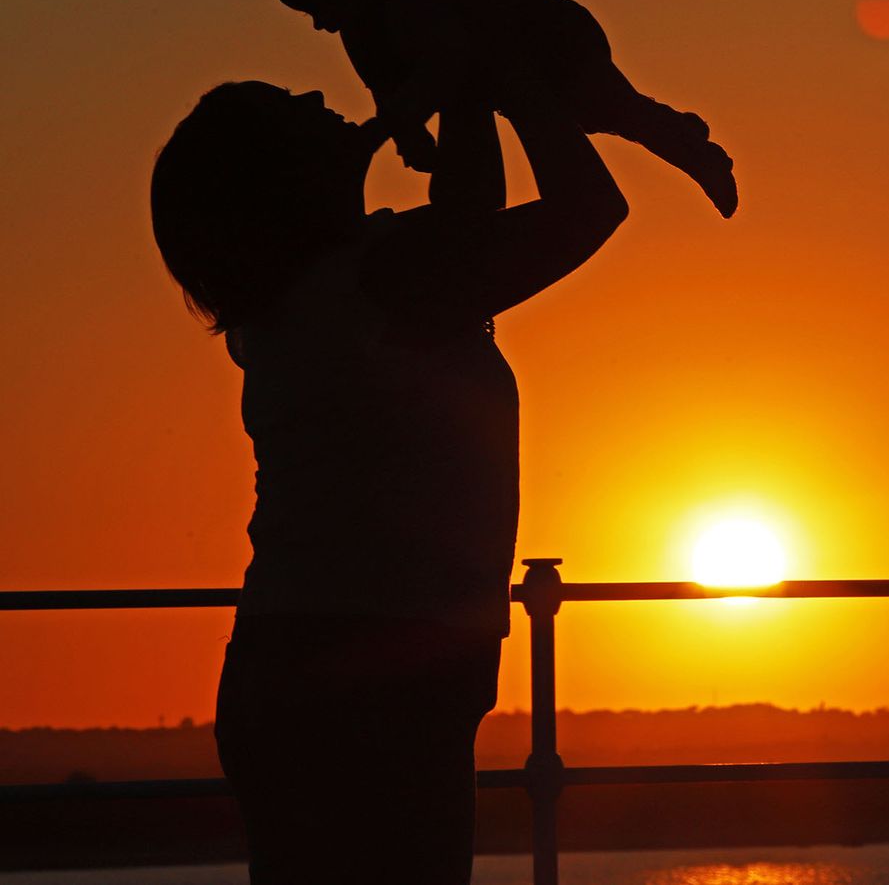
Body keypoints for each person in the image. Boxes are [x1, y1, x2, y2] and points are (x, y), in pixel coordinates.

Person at [150, 80, 627, 884]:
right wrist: (497, 74)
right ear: (281, 177)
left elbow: (474, 207)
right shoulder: (374, 283)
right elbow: (584, 210)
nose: (313, 93)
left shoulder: (331, 288)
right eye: (288, 109)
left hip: (337, 666)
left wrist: (465, 86)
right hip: (371, 683)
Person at [261, 0, 738, 217]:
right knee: (596, 115)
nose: (322, 24)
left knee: (602, 109)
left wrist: (386, 131)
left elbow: (443, 66)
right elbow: (388, 88)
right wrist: (410, 137)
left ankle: (688, 146)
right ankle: (669, 127)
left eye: (320, 5)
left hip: (545, 29)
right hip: (501, 63)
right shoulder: (359, 29)